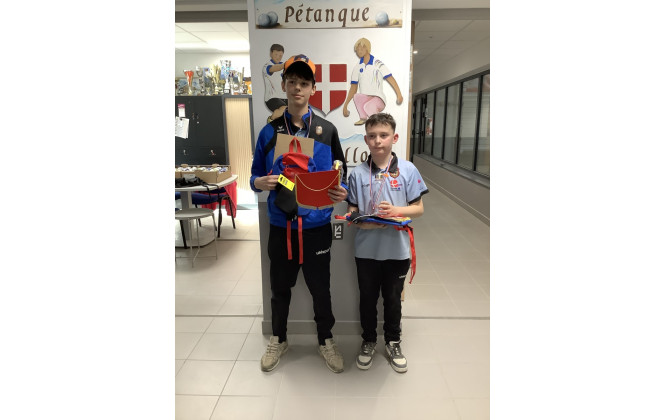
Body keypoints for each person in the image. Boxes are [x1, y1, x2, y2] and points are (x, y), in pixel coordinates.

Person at [250, 54, 349, 373]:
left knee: (321, 289)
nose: (297, 88)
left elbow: (340, 172)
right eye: (292, 81)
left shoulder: (327, 130)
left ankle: (326, 340)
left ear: (312, 89)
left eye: (304, 83)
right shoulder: (269, 133)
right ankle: (279, 338)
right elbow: (254, 175)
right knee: (279, 289)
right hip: (281, 225)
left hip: (317, 226)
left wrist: (342, 190)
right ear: (283, 85)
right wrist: (258, 182)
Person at [346, 113, 428, 373]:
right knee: (367, 299)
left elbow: (419, 209)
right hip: (366, 251)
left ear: (395, 137)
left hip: (397, 250)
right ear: (366, 140)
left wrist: (395, 211)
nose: (378, 141)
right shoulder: (357, 174)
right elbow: (351, 212)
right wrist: (364, 223)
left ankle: (393, 341)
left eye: (383, 135)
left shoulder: (408, 170)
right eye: (372, 136)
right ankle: (369, 341)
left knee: (393, 300)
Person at [342, 38, 404, 126]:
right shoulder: (358, 66)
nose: (359, 51)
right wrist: (345, 105)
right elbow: (353, 87)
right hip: (366, 97)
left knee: (368, 107)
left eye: (362, 48)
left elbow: (389, 77)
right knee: (357, 96)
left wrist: (399, 94)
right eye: (357, 49)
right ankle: (363, 118)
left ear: (367, 48)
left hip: (378, 98)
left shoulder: (377, 63)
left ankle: (379, 124)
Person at [262, 44, 288, 122]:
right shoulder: (267, 66)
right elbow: (274, 68)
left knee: (297, 109)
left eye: (280, 55)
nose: (278, 57)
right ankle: (271, 121)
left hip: (285, 97)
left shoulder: (285, 66)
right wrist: (286, 64)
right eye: (276, 54)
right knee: (284, 108)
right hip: (272, 98)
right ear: (271, 53)